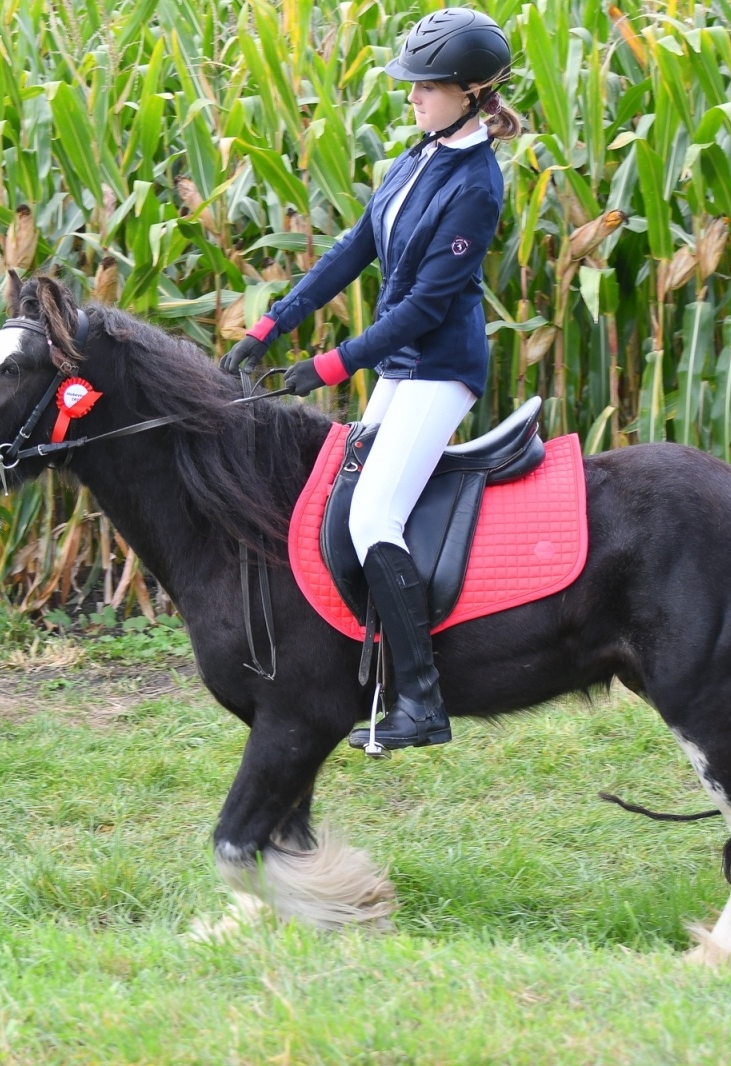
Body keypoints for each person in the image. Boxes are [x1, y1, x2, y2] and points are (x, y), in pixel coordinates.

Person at [222, 8, 518, 750]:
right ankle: (368, 670)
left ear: (474, 91)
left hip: (441, 369)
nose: (412, 96)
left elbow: (425, 306)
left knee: (372, 514)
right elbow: (356, 247)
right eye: (412, 84)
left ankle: (423, 702)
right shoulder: (419, 154)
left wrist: (332, 364)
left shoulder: (476, 184)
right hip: (400, 366)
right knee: (340, 501)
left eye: (427, 85)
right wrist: (272, 324)